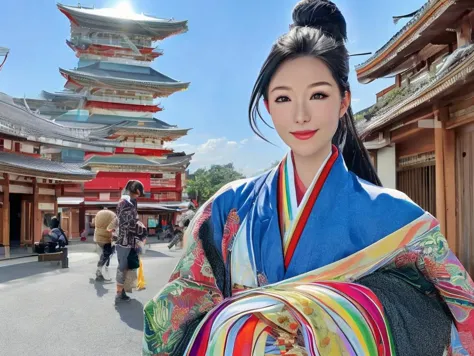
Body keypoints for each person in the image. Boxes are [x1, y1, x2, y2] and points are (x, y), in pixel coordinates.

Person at [143, 1, 474, 355]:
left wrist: (342, 322)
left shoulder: (401, 220)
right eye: (284, 98)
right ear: (269, 106)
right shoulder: (227, 208)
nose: (300, 115)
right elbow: (174, 321)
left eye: (318, 95)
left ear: (344, 100)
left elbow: (454, 322)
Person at [114, 180, 147, 304]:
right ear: (137, 190)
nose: (139, 195)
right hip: (125, 241)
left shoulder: (127, 202)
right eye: (139, 192)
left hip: (126, 240)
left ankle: (122, 291)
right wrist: (142, 231)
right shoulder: (125, 203)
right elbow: (128, 224)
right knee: (122, 267)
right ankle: (119, 293)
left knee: (126, 267)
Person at [93, 206, 117, 282]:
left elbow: (93, 223)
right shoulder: (113, 214)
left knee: (105, 252)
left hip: (98, 236)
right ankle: (99, 270)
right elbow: (114, 225)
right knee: (108, 252)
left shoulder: (98, 214)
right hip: (108, 236)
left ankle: (101, 268)